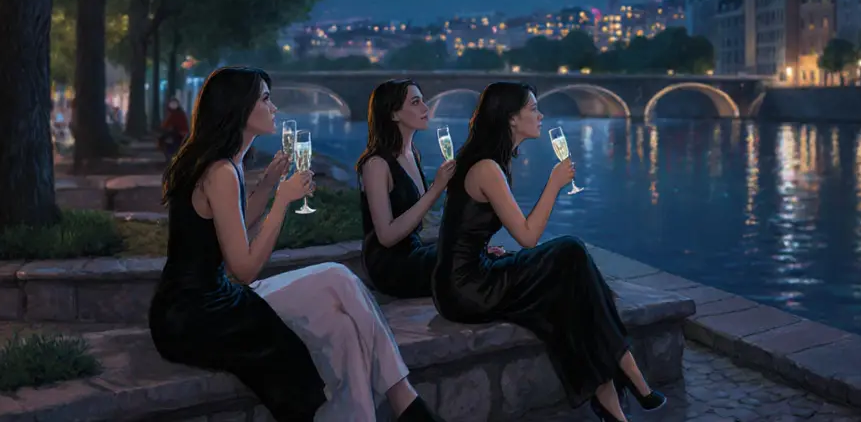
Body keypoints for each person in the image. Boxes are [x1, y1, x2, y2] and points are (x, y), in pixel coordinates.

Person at [148, 66, 442, 422]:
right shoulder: (221, 172)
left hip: (209, 301)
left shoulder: (223, 165)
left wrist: (271, 183)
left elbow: (234, 225)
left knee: (342, 328)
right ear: (240, 108)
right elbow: (243, 269)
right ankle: (405, 402)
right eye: (266, 99)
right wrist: (283, 201)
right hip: (196, 314)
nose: (274, 108)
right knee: (337, 276)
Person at [431, 82, 666, 421]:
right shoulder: (487, 168)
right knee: (570, 253)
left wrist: (482, 249)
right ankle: (630, 372)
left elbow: (463, 231)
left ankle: (614, 406)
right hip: (466, 289)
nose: (541, 116)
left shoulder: (487, 163)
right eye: (533, 109)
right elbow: (527, 237)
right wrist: (554, 184)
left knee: (568, 292)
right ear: (512, 119)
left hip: (465, 279)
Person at [356, 80, 455, 298]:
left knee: (474, 250)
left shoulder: (413, 154)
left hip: (414, 251)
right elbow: (387, 236)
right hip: (389, 266)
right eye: (415, 102)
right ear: (393, 114)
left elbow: (419, 215)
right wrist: (436, 189)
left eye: (423, 101)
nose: (425, 108)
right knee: (465, 260)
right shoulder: (376, 165)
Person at [159, 97, 190, 162]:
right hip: (181, 133)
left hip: (178, 133)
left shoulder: (173, 114)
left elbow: (166, 125)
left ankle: (170, 155)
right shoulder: (180, 113)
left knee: (163, 139)